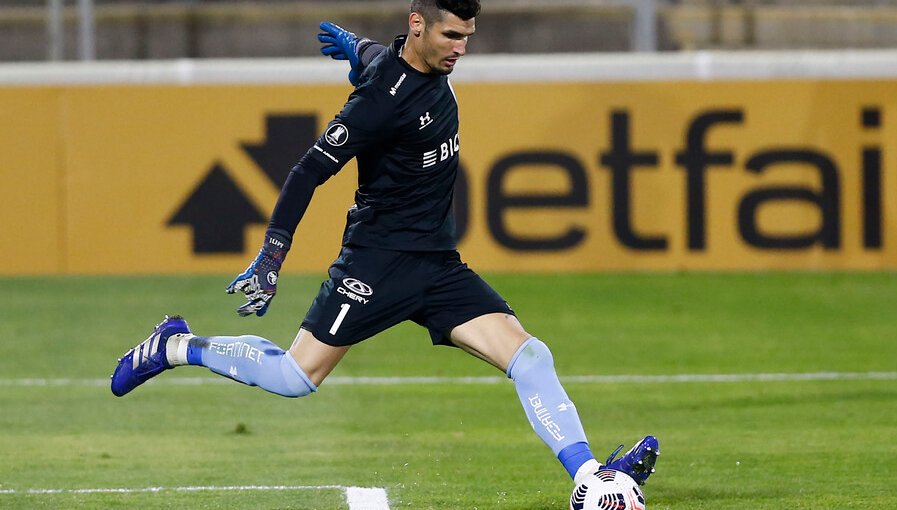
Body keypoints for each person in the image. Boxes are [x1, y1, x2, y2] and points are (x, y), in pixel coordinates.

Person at [111, 0, 658, 488]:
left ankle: (593, 479)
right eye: (451, 36)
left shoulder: (415, 61)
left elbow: (387, 58)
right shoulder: (376, 101)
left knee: (531, 356)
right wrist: (273, 255)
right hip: (374, 265)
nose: (460, 49)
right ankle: (177, 346)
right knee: (295, 377)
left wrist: (361, 48)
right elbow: (306, 172)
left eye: (467, 38)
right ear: (417, 24)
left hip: (439, 266)